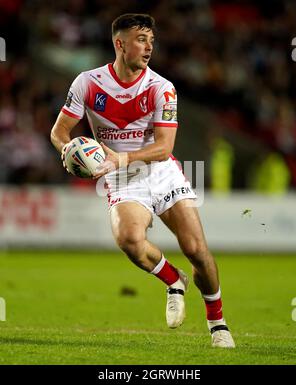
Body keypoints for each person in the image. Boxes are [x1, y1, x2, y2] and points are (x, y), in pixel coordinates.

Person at [50, 13, 235, 348]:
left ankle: (217, 322)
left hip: (160, 171)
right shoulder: (87, 83)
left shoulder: (161, 88)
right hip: (121, 178)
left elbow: (165, 148)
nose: (149, 46)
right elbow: (59, 132)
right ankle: (173, 279)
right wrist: (70, 153)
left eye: (151, 39)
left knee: (195, 249)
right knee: (129, 239)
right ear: (119, 44)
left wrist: (122, 156)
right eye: (141, 39)